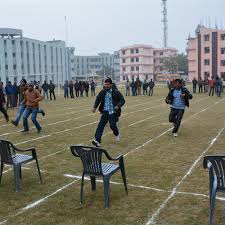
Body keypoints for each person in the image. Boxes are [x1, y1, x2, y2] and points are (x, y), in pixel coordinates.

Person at [92, 77, 125, 147]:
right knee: (100, 126)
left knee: (112, 126)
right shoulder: (103, 92)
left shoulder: (116, 92)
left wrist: (118, 106)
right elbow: (98, 99)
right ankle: (97, 140)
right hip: (105, 112)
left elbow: (122, 100)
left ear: (111, 84)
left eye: (107, 84)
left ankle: (117, 133)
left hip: (113, 112)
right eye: (105, 84)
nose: (106, 86)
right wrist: (95, 107)